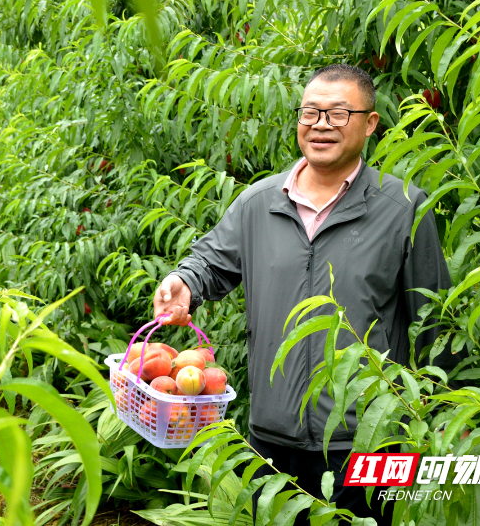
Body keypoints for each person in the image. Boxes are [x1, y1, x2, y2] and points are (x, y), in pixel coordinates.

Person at [153, 64, 456, 525]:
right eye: (311, 113)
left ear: (370, 124)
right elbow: (209, 262)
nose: (320, 125)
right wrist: (185, 284)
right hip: (271, 439)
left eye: (338, 114)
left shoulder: (404, 209)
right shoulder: (259, 203)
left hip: (369, 439)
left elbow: (434, 324)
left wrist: (445, 418)